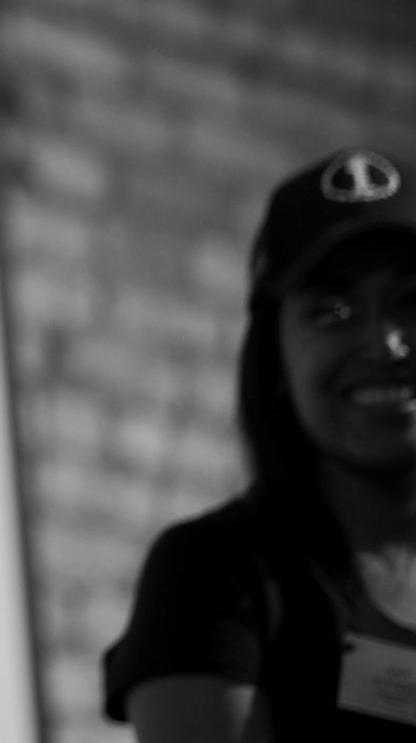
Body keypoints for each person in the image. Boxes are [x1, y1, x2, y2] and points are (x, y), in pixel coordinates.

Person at [105, 146, 416, 738]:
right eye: (335, 310)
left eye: (412, 301)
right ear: (275, 358)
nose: (386, 343)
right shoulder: (213, 575)